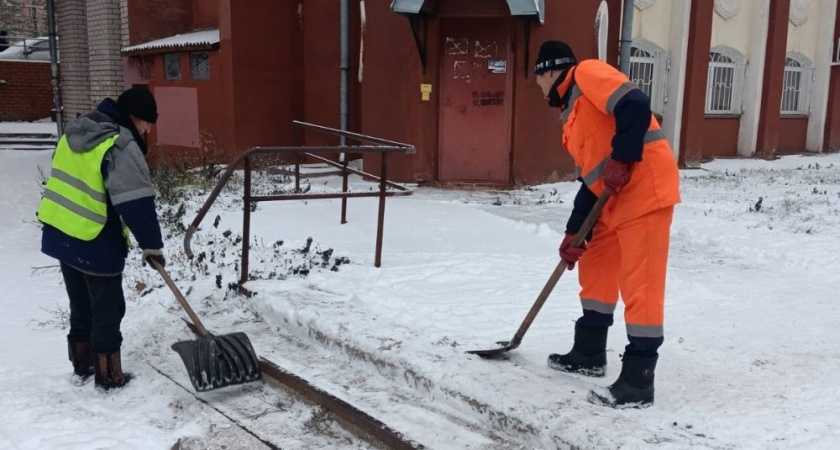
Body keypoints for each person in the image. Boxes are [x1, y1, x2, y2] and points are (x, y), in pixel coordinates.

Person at [533, 40, 681, 408]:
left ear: (548, 71)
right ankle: (589, 352)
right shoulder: (571, 116)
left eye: (536, 78)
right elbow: (591, 180)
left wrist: (625, 157)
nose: (537, 87)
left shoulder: (587, 73)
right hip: (611, 200)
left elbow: (634, 105)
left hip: (644, 189)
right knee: (595, 264)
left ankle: (638, 380)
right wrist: (574, 231)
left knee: (640, 283)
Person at [37, 87, 166, 390]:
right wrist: (151, 246)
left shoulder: (76, 132)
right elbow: (136, 204)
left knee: (80, 304)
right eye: (147, 122)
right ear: (135, 118)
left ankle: (83, 365)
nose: (148, 130)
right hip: (95, 239)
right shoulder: (119, 145)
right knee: (108, 309)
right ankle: (109, 377)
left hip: (61, 233)